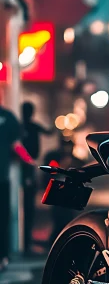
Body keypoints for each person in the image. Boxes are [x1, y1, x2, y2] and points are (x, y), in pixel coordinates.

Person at [0, 94, 34, 271]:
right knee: (3, 218)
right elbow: (16, 145)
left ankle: (3, 257)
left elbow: (16, 144)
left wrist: (28, 160)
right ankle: (3, 257)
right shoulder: (7, 118)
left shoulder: (7, 117)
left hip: (2, 178)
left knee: (3, 218)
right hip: (2, 178)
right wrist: (29, 160)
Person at [21, 102, 53, 253]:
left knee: (27, 205)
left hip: (27, 166)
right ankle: (25, 240)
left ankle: (25, 240)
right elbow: (49, 132)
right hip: (27, 166)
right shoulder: (30, 127)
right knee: (28, 206)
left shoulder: (25, 126)